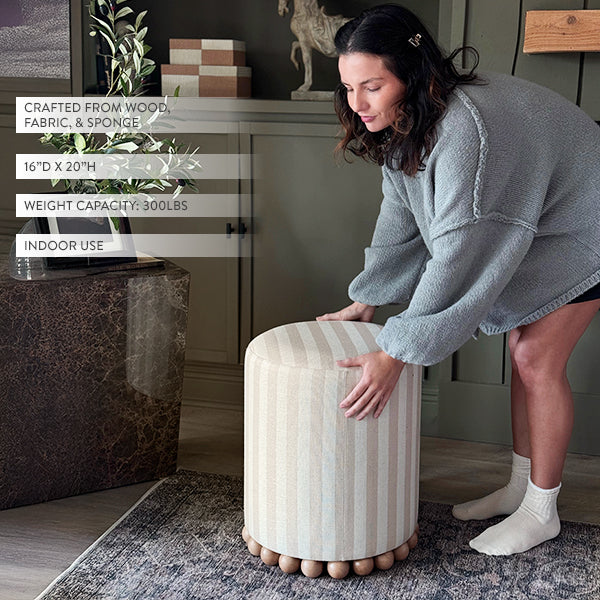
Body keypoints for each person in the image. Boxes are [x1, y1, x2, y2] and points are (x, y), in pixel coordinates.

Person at [316, 3, 600, 557]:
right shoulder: (411, 118)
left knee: (535, 358)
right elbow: (401, 214)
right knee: (522, 349)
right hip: (550, 209)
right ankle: (521, 486)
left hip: (587, 218)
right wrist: (369, 297)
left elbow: (459, 256)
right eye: (349, 88)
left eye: (372, 86)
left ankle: (541, 511)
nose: (358, 104)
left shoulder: (468, 136)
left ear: (411, 74)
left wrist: (397, 351)